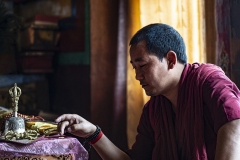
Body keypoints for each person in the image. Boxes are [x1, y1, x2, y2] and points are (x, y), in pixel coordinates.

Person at [55, 23, 240, 160]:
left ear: (170, 60)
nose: (138, 76)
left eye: (142, 65)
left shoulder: (207, 80)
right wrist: (93, 133)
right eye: (134, 68)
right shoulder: (154, 109)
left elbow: (234, 122)